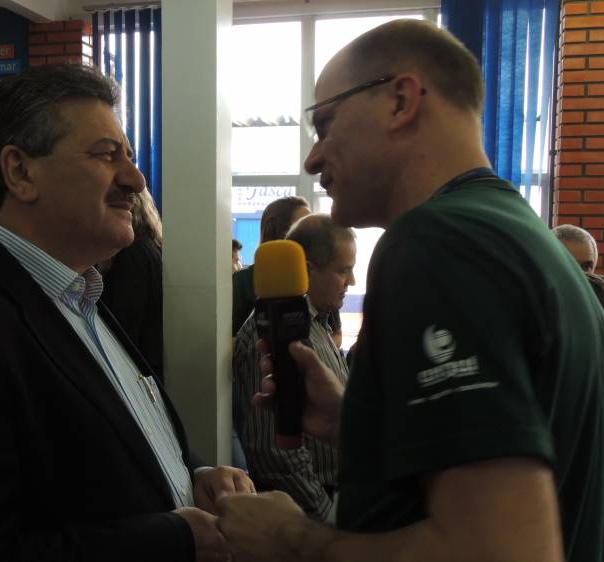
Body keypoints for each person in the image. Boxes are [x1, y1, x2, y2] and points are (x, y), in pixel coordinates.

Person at [217, 19, 603, 562]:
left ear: (400, 101)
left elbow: (502, 550)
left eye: (324, 125)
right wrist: (357, 423)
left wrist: (288, 539)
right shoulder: (520, 235)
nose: (312, 159)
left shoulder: (437, 242)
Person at [0, 63, 253, 562]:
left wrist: (190, 476)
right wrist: (174, 539)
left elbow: (109, 442)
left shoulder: (81, 294)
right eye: (107, 155)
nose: (135, 179)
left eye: (129, 157)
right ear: (21, 172)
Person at [233, 214, 355, 522]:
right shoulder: (274, 333)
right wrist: (326, 520)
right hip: (312, 510)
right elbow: (276, 453)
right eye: (344, 270)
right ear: (308, 270)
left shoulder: (316, 323)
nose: (351, 281)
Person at [101, 187, 165, 382]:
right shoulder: (151, 246)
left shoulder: (131, 253)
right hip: (149, 361)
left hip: (133, 367)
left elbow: (125, 322)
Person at [232, 196, 310, 336]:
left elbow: (333, 331)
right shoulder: (242, 282)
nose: (312, 233)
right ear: (278, 231)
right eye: (303, 226)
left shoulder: (314, 276)